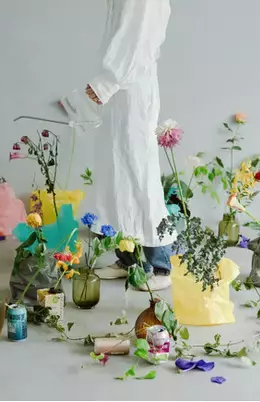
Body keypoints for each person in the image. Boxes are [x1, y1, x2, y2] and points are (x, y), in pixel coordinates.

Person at [83, 0, 175, 291]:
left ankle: (159, 266)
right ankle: (129, 259)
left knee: (139, 174)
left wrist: (107, 82)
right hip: (120, 96)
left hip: (132, 90)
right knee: (115, 173)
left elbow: (138, 37)